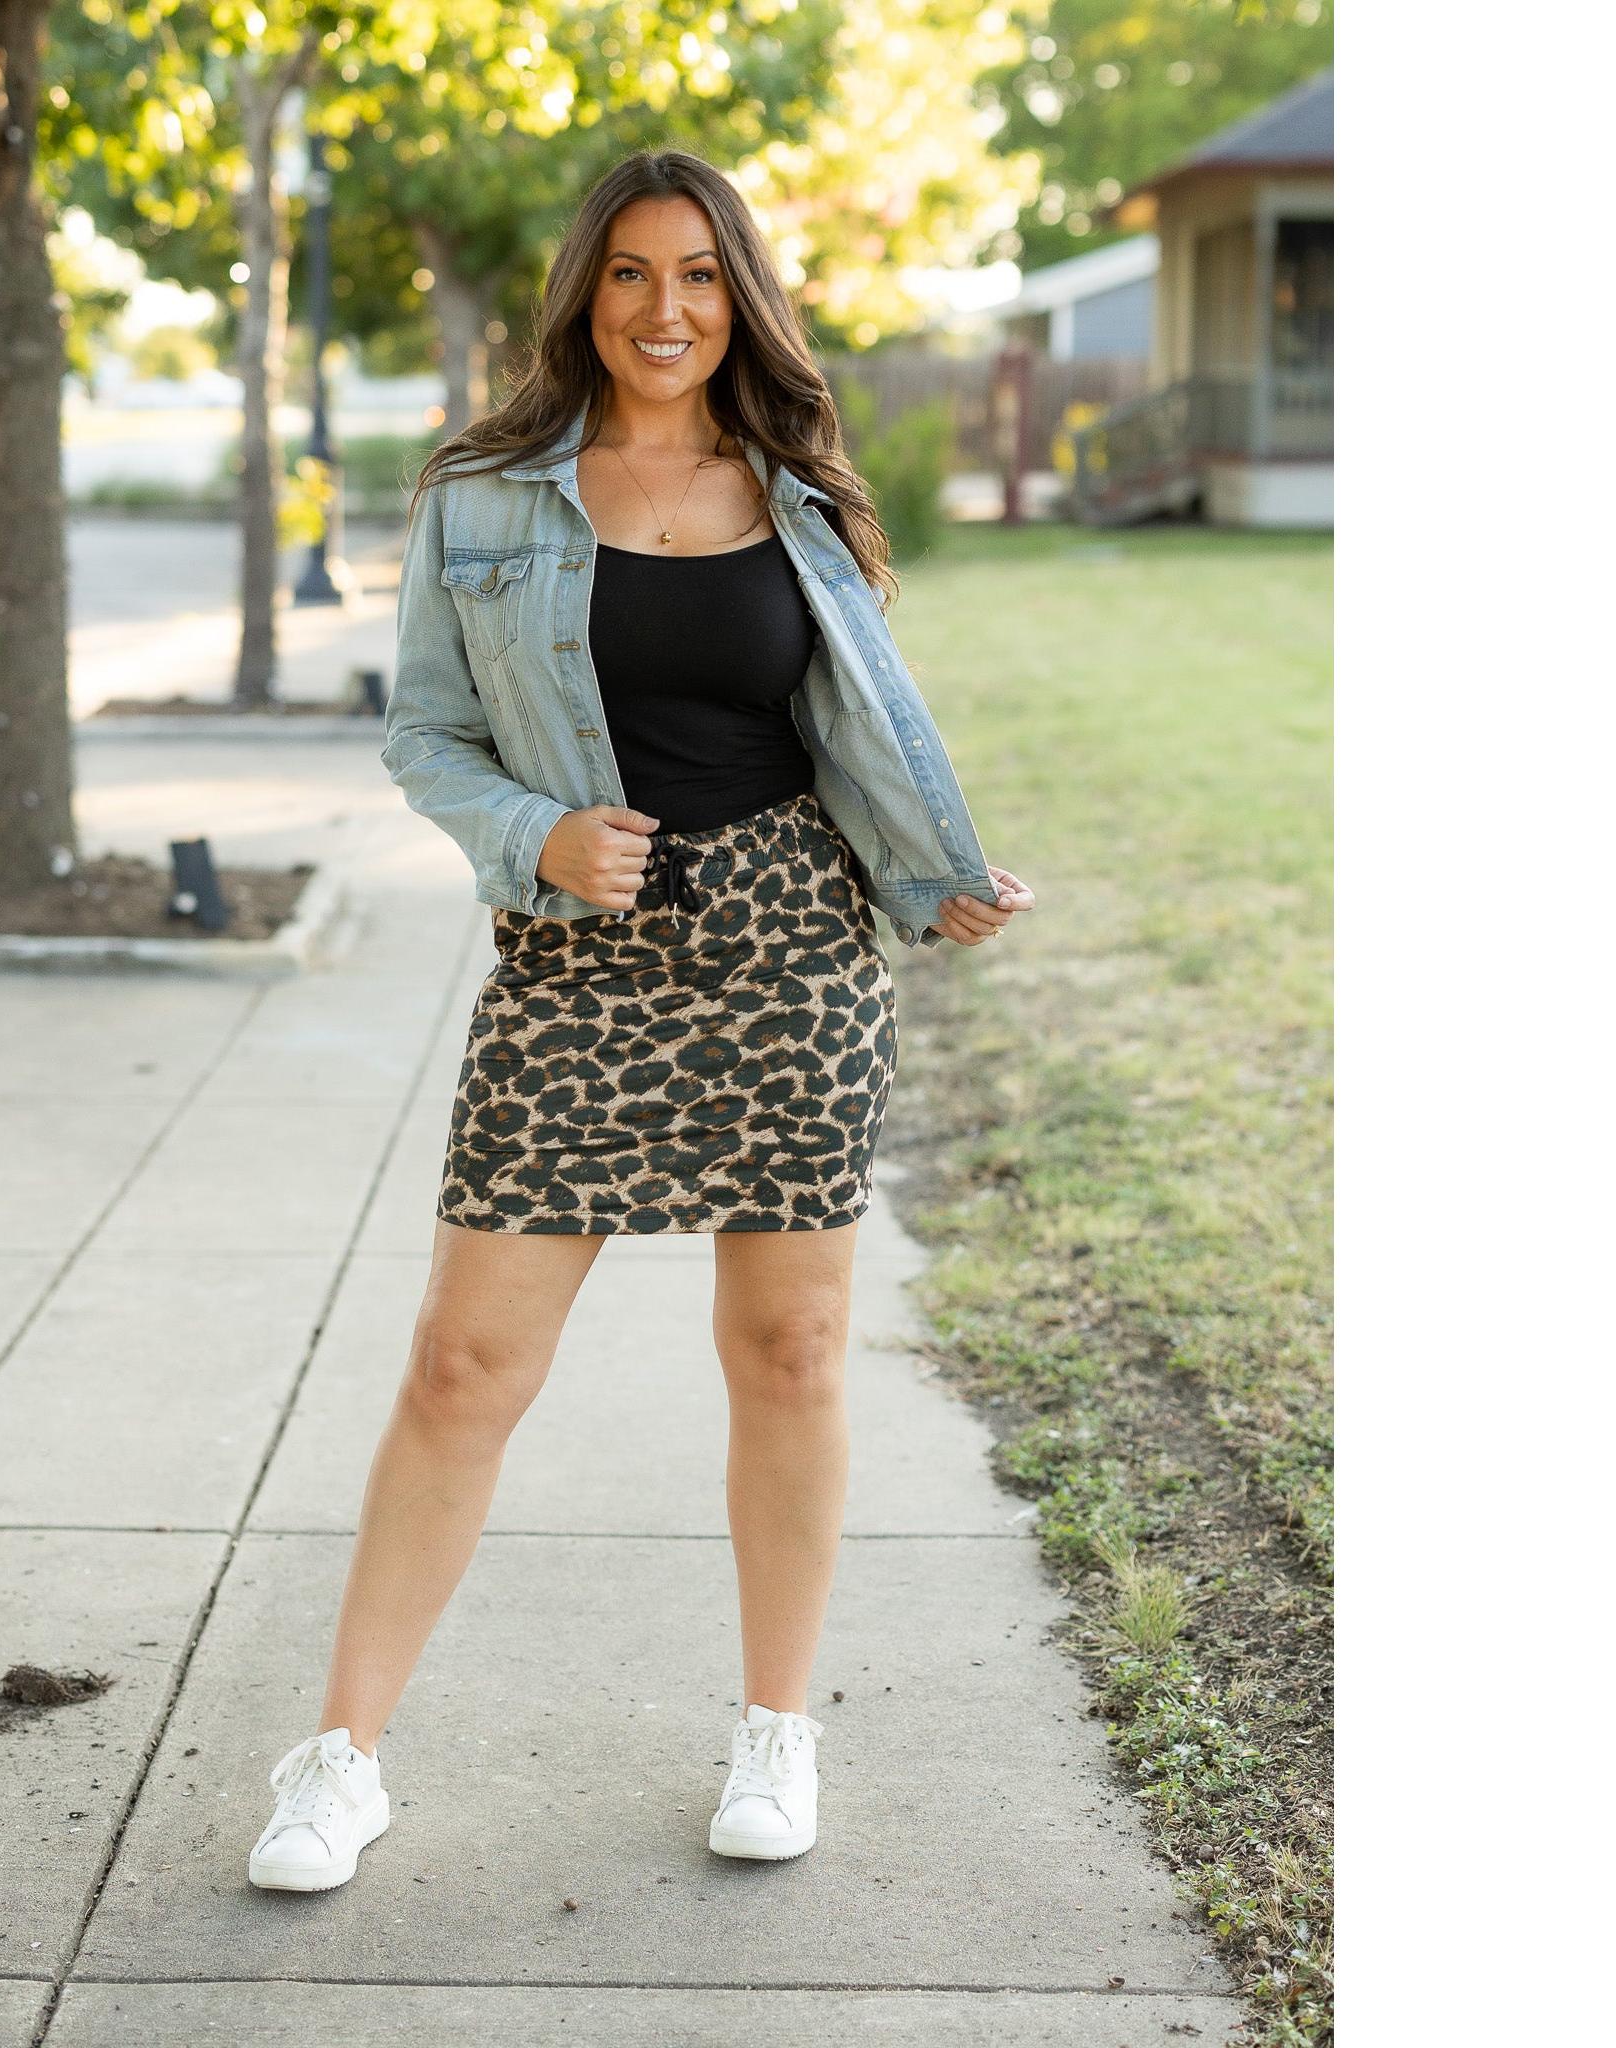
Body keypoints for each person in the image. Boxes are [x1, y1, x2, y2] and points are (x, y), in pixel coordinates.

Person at [247, 148, 1035, 1893]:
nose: (663, 308)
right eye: (628, 272)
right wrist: (535, 834)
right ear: (584, 294)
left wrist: (938, 877)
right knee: (464, 1366)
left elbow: (855, 733)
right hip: (578, 963)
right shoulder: (484, 495)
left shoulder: (800, 494)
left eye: (697, 275)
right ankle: (341, 1758)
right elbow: (426, 734)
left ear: (738, 299)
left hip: (789, 955)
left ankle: (776, 1730)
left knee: (791, 1350)